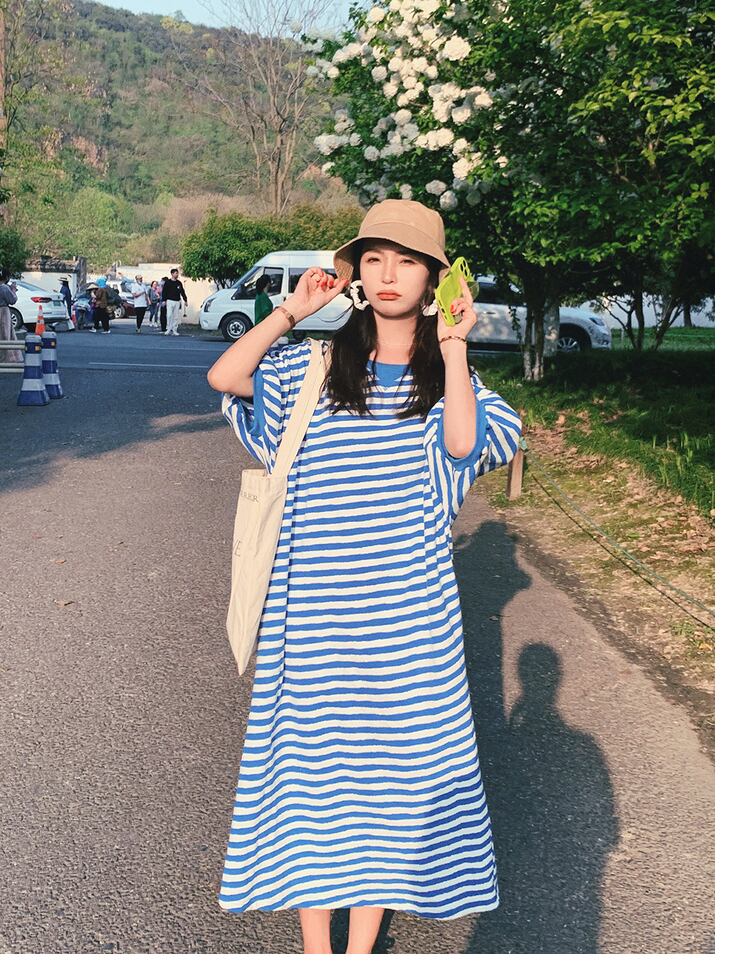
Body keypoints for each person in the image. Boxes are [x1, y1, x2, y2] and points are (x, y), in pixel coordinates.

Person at [207, 199, 523, 954]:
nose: (388, 275)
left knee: (391, 790)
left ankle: (358, 949)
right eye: (374, 259)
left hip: (408, 627)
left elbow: (463, 445)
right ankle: (318, 947)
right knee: (311, 786)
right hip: (311, 615)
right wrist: (291, 312)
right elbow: (225, 373)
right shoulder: (312, 369)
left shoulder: (453, 383)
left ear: (435, 280)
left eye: (407, 262)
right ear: (356, 273)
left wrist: (454, 348)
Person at [0, 269, 23, 363]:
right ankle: (7, 358)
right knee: (5, 334)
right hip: (3, 311)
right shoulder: (4, 288)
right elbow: (12, 300)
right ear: (6, 277)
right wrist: (13, 290)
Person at [161, 267, 188, 336]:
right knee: (169, 315)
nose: (177, 274)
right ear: (172, 274)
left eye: (177, 273)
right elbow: (164, 292)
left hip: (177, 301)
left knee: (176, 316)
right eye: (176, 273)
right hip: (169, 301)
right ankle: (168, 328)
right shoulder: (168, 282)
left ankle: (174, 329)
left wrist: (185, 300)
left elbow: (182, 292)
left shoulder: (179, 283)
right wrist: (164, 300)